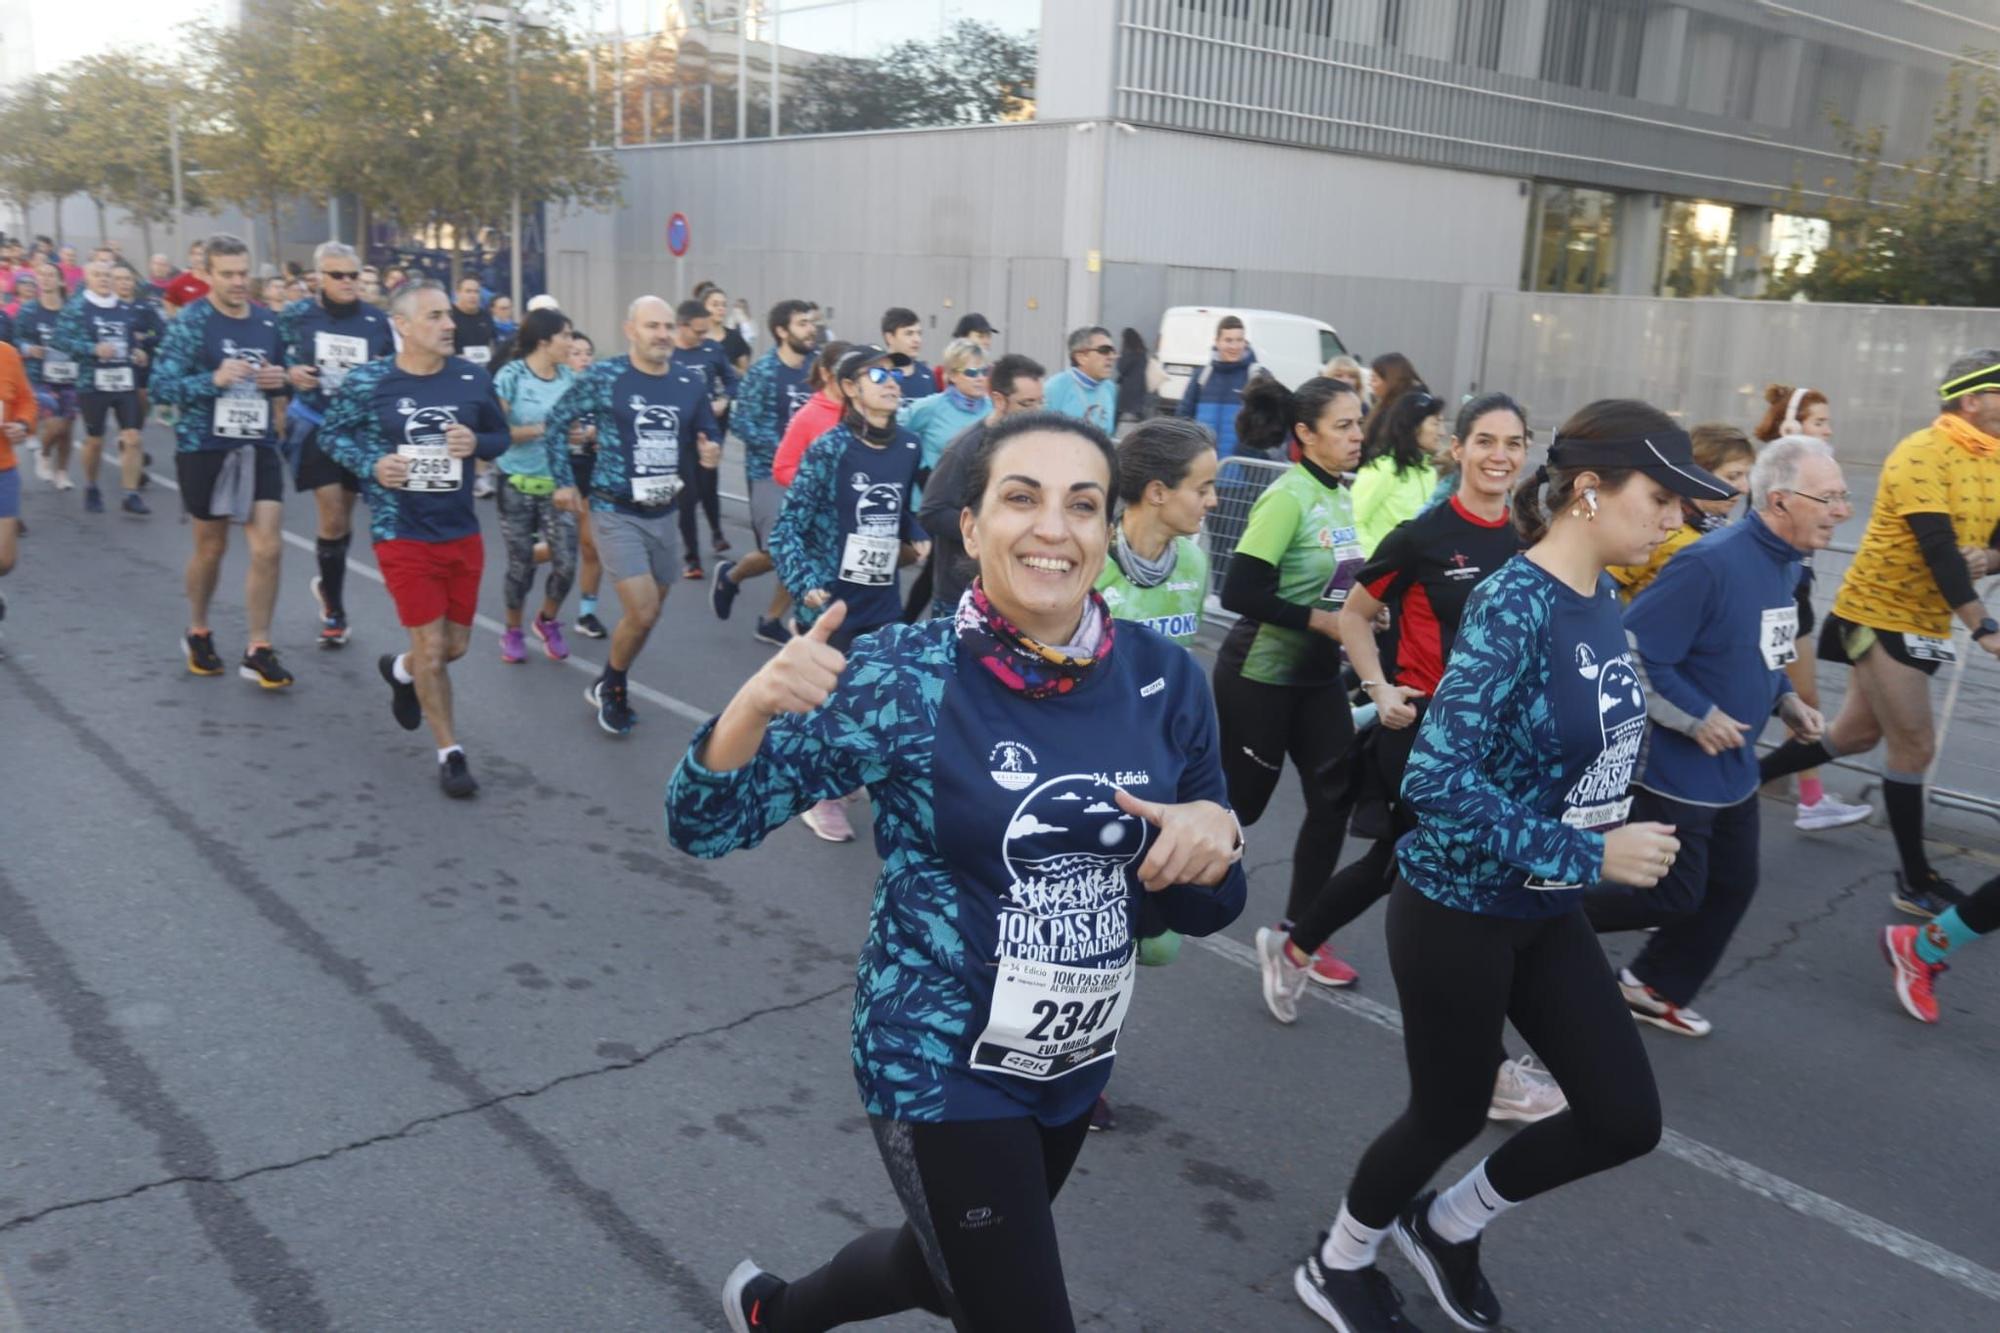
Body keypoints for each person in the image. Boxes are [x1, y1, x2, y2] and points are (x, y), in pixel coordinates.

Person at [671, 410, 1247, 1333]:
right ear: (971, 527)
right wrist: (753, 703)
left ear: (1107, 530)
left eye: (1082, 505)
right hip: (936, 1056)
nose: (1053, 528)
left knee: (942, 1267)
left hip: (1071, 1056)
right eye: (1022, 499)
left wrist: (1212, 834)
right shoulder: (904, 674)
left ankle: (775, 1315)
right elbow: (702, 822)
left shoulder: (1165, 679)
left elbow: (1213, 907)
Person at [1292, 400, 1720, 1333]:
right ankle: (1338, 1260)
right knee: (1444, 1114)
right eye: (1663, 497)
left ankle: (1446, 1226)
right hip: (1457, 907)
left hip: (1544, 905)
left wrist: (1615, 819)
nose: (1675, 519)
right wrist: (1590, 850)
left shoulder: (1603, 592)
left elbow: (1576, 741)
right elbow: (1439, 778)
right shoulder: (1514, 601)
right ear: (1590, 489)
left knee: (1622, 1116)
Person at [1586, 437, 1844, 1039]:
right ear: (1779, 500)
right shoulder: (1710, 562)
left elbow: (1761, 650)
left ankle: (1653, 987)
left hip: (1732, 769)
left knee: (1732, 884)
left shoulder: (1786, 562)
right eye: (1829, 498)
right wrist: (1699, 717)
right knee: (1670, 895)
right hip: (1676, 767)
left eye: (1842, 496)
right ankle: (1526, 915)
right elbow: (1632, 654)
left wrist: (1786, 701)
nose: (1842, 510)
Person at [1759, 351, 2000, 919]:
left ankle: (1736, 782)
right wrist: (1982, 625)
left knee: (1854, 737)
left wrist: (1989, 557)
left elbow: (1989, 549)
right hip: (1878, 614)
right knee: (1915, 745)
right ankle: (1914, 880)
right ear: (1973, 400)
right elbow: (1937, 548)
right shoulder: (1921, 453)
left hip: (1928, 619)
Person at [320, 280, 512, 797]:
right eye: (434, 317)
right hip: (400, 530)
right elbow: (331, 433)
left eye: (448, 315)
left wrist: (478, 442)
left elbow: (501, 436)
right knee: (431, 649)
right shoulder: (370, 382)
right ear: (401, 326)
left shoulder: (472, 378)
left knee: (454, 646)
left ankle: (400, 671)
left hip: (461, 530)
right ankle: (451, 752)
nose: (449, 324)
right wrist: (372, 464)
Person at [1214, 376, 1367, 987]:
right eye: (1344, 426)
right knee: (1240, 809)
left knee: (1334, 798)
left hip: (1316, 678)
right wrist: (1321, 619)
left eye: (1360, 423)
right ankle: (1143, 866)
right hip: (1260, 674)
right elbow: (1239, 591)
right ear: (1305, 434)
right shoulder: (1288, 496)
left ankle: (1299, 935)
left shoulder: (1340, 494)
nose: (1358, 436)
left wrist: (1361, 611)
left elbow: (1332, 583)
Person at [768, 344, 929, 843]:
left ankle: (840, 772)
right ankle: (818, 796)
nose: (890, 381)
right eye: (876, 373)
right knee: (833, 700)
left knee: (879, 694)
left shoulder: (907, 446)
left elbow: (897, 504)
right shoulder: (830, 448)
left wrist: (915, 530)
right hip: (832, 599)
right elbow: (786, 528)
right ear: (851, 388)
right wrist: (805, 584)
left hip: (881, 593)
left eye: (895, 373)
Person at [543, 296, 723, 735]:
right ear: (631, 330)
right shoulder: (607, 376)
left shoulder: (687, 382)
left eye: (666, 326)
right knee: (641, 612)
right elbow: (557, 419)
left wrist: (710, 448)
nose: (661, 334)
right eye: (651, 326)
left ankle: (608, 676)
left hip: (665, 510)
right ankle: (615, 685)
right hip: (613, 508)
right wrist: (565, 481)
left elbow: (707, 427)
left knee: (651, 613)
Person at [152, 235, 294, 689]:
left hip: (255, 444)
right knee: (211, 548)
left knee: (269, 546)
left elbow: (281, 377)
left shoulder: (268, 323)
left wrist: (280, 380)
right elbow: (162, 385)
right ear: (207, 275)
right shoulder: (192, 322)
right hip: (204, 445)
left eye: (243, 272)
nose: (238, 282)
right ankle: (198, 628)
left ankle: (259, 647)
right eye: (227, 274)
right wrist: (213, 378)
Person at [1751, 383, 1872, 832]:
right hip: (1781, 605)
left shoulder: (1806, 475)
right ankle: (1804, 798)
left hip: (1792, 601)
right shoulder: (1777, 476)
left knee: (1791, 699)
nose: (1829, 429)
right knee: (1794, 699)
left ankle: (1804, 795)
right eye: (1819, 422)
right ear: (1791, 426)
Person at [280, 241, 398, 649]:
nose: (348, 282)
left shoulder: (376, 321)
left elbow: (392, 370)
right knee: (331, 516)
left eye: (354, 275)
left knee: (343, 521)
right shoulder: (297, 316)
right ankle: (335, 609)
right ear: (319, 278)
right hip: (315, 423)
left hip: (357, 431)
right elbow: (272, 361)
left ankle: (329, 579)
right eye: (338, 275)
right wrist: (290, 373)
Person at [712, 298, 817, 647]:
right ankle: (732, 575)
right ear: (782, 331)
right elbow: (741, 423)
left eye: (811, 322)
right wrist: (786, 448)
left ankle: (770, 620)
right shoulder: (763, 372)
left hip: (810, 476)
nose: (810, 329)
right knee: (778, 551)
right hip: (769, 473)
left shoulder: (817, 370)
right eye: (802, 323)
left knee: (802, 551)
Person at [920, 354, 1048, 618]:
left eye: (1040, 402)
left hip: (1013, 593)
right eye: (1027, 404)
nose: (1037, 412)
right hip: (962, 596)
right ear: (999, 400)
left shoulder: (1033, 444)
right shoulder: (965, 448)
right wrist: (990, 529)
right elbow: (932, 512)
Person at [491, 308, 580, 663]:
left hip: (557, 483)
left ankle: (547, 620)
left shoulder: (569, 379)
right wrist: (545, 429)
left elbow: (576, 427)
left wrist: (583, 433)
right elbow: (497, 434)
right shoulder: (511, 376)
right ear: (544, 340)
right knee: (520, 564)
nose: (571, 343)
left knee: (566, 563)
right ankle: (512, 630)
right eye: (566, 336)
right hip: (515, 481)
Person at [1605, 423, 1757, 601]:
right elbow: (1604, 589)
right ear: (1699, 474)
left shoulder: (1730, 532)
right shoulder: (1657, 529)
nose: (1745, 488)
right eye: (1733, 476)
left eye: (1747, 476)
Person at [897, 337, 991, 618]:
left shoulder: (991, 410)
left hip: (975, 504)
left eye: (984, 371)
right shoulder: (931, 407)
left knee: (937, 569)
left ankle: (908, 624)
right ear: (950, 375)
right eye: (971, 372)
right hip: (938, 502)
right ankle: (913, 625)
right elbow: (895, 432)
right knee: (938, 568)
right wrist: (920, 467)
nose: (980, 378)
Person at [54, 257, 149, 515]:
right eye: (97, 274)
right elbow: (60, 340)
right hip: (92, 382)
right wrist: (92, 349)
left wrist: (137, 352)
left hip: (124, 380)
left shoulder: (123, 307)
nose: (104, 279)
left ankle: (130, 494)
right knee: (95, 441)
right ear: (87, 278)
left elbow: (130, 340)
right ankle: (92, 485)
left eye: (108, 275)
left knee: (132, 437)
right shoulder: (77, 307)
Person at [670, 297, 738, 578]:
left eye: (704, 331)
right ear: (681, 327)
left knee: (708, 486)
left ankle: (717, 532)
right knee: (688, 496)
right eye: (697, 331)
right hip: (679, 436)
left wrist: (724, 400)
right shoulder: (669, 353)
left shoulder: (712, 349)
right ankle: (692, 558)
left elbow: (733, 381)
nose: (702, 337)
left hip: (709, 429)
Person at [1351, 387, 1446, 554]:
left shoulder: (1428, 472)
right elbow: (1354, 521)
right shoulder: (1383, 468)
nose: (1442, 432)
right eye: (1436, 423)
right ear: (1412, 426)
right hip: (1383, 574)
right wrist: (1378, 564)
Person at [565, 331, 611, 640]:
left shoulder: (600, 388)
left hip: (593, 472)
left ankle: (586, 613)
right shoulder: (556, 389)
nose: (583, 358)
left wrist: (600, 434)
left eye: (587, 352)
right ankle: (524, 561)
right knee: (562, 551)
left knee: (590, 547)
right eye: (576, 352)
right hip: (561, 474)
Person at [16, 264, 75, 491]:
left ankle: (62, 472)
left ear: (60, 281)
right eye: (42, 275)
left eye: (51, 275)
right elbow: (16, 340)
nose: (47, 279)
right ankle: (43, 452)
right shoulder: (28, 310)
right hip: (39, 376)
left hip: (69, 374)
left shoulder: (71, 311)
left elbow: (84, 335)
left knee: (67, 428)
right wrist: (30, 348)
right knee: (54, 423)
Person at [1175, 315, 1261, 460]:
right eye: (1228, 340)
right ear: (1217, 342)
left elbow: (1272, 425)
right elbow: (1183, 418)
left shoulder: (1257, 376)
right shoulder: (1202, 376)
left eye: (1239, 340)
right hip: (1203, 472)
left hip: (1241, 474)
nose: (1234, 346)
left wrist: (1249, 451)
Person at [771, 339, 852, 488]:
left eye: (854, 374)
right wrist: (818, 481)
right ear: (825, 373)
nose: (850, 381)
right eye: (843, 373)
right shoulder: (807, 416)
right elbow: (782, 469)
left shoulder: (861, 411)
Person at [0, 338, 39, 621]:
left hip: (3, 469)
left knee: (5, 559)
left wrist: (22, 424)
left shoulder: (7, 354)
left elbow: (26, 399)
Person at [1043, 326, 1118, 432]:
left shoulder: (1110, 388)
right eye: (1104, 350)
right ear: (1081, 357)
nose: (1112, 357)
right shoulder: (1054, 388)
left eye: (1113, 351)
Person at [881, 306, 936, 402]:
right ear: (890, 337)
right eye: (909, 333)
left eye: (919, 333)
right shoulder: (878, 375)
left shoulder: (927, 375)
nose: (917, 340)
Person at [1114, 327, 1153, 427]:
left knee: (1118, 411)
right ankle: (1146, 429)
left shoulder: (1128, 352)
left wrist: (1119, 357)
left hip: (1128, 387)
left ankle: (1111, 429)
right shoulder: (1142, 351)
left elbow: (1121, 368)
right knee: (1139, 411)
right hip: (1140, 386)